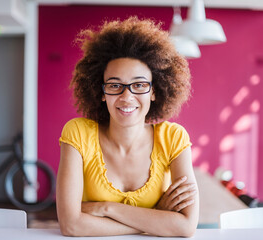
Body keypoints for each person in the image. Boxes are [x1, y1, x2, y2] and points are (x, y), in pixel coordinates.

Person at [57, 16, 199, 237]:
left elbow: (186, 227)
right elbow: (71, 226)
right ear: (102, 92)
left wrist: (106, 209)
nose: (126, 96)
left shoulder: (174, 138)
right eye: (115, 85)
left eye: (139, 85)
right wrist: (155, 217)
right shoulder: (78, 133)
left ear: (154, 91)